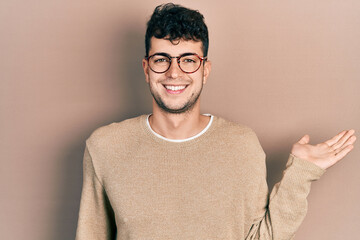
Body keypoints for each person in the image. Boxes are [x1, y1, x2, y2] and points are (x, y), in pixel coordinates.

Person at [75, 3, 356, 240]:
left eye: (188, 60)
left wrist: (301, 173)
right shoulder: (106, 147)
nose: (175, 72)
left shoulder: (241, 146)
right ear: (147, 69)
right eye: (162, 59)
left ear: (205, 70)